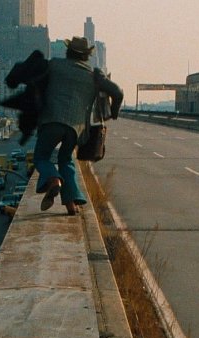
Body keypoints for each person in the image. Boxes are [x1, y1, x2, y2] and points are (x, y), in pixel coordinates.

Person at [32, 36, 123, 215]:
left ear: (68, 52)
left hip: (51, 121)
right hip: (75, 128)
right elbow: (118, 93)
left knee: (41, 157)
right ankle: (71, 203)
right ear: (86, 56)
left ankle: (54, 180)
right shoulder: (94, 75)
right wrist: (113, 113)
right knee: (66, 159)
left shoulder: (53, 65)